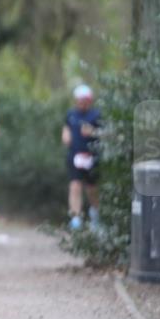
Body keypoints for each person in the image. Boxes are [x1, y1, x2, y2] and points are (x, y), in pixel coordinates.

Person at [62, 84, 101, 230]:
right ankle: (75, 219)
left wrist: (93, 132)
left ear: (89, 100)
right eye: (79, 100)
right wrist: (66, 136)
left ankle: (96, 217)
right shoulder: (71, 114)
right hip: (75, 155)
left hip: (92, 156)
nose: (82, 102)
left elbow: (107, 134)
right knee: (75, 186)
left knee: (92, 188)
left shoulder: (97, 115)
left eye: (84, 100)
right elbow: (66, 128)